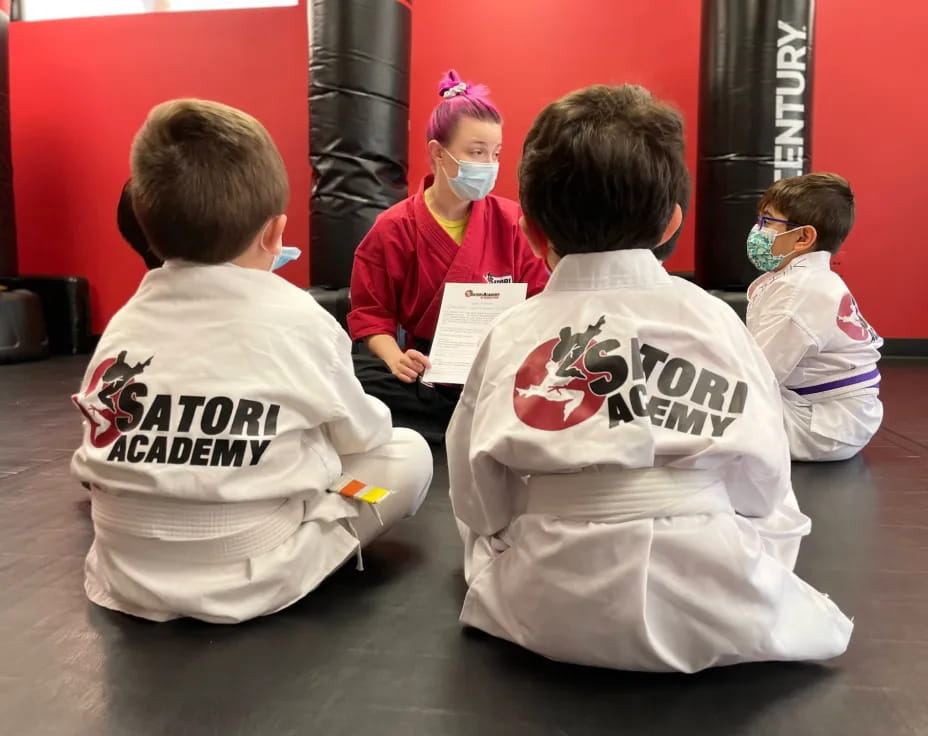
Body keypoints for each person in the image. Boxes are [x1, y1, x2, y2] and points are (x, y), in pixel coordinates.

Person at [446, 84, 852, 673]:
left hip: (547, 601)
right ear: (671, 223)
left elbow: (475, 488)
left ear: (531, 231)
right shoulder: (715, 318)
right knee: (774, 511)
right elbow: (764, 480)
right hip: (717, 594)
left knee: (479, 528)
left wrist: (502, 534)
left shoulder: (512, 329)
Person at [71, 99, 433, 624]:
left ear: (148, 227)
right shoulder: (298, 315)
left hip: (122, 566)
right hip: (253, 572)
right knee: (407, 453)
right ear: (273, 233)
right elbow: (365, 437)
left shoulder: (122, 325)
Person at [348, 70, 549, 442]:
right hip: (427, 373)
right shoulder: (394, 227)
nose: (489, 164)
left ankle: (466, 423)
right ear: (438, 153)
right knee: (356, 378)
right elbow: (371, 313)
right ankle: (474, 425)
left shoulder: (512, 221)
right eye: (476, 152)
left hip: (500, 370)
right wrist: (395, 358)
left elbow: (540, 301)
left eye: (496, 154)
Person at [746, 174, 883, 462]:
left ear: (803, 237)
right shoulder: (804, 279)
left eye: (768, 221)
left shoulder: (799, 292)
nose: (757, 230)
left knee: (696, 407)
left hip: (820, 425)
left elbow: (757, 374)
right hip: (829, 414)